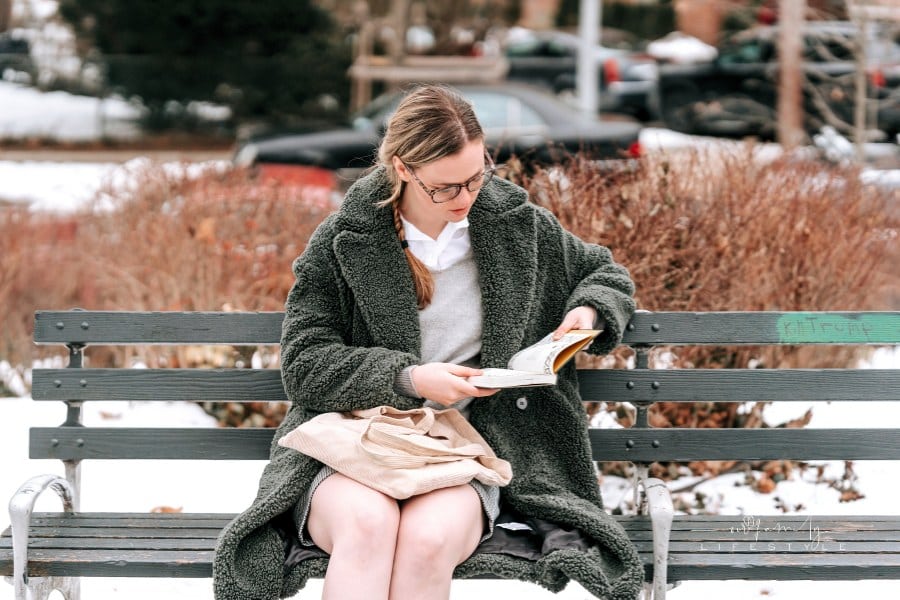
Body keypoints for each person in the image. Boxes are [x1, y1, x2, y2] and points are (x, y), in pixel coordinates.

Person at [214, 84, 643, 600]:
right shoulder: (344, 240)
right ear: (402, 168)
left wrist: (587, 308)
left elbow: (604, 272)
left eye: (475, 177)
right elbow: (305, 363)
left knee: (426, 540)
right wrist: (410, 379)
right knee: (368, 529)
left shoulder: (517, 226)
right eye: (445, 187)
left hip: (465, 450)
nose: (465, 198)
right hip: (358, 438)